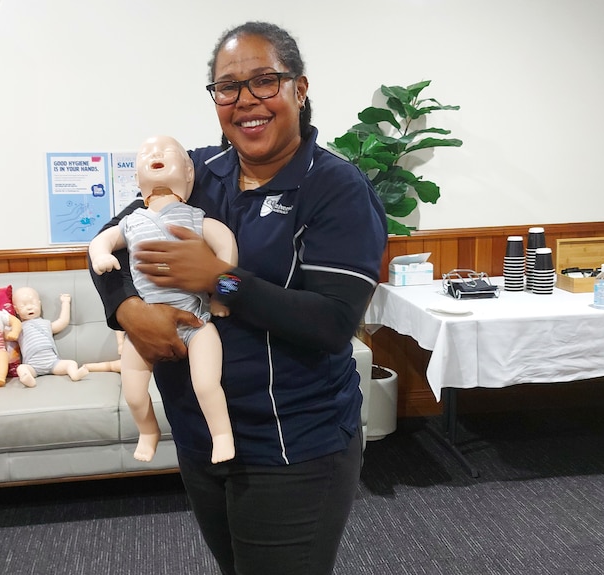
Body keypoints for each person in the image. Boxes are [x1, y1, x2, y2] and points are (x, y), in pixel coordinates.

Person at [89, 21, 386, 575]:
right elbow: (111, 243)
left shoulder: (337, 188)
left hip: (292, 443)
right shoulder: (200, 172)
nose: (246, 100)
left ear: (299, 89)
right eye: (228, 87)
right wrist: (130, 312)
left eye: (265, 81)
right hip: (201, 433)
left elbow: (331, 321)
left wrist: (218, 279)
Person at [90, 134, 238, 464]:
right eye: (146, 154)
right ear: (137, 177)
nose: (155, 154)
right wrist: (101, 257)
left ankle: (222, 434)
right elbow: (99, 242)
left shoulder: (198, 217)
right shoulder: (130, 221)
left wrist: (221, 297)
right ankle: (148, 431)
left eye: (166, 152)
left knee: (206, 383)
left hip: (198, 321)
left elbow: (227, 249)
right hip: (146, 324)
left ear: (189, 172)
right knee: (133, 391)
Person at [11, 287, 89, 387]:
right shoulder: (18, 327)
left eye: (33, 304)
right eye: (23, 306)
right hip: (32, 366)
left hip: (53, 363)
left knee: (71, 363)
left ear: (39, 304)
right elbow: (7, 335)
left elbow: (62, 321)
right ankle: (28, 379)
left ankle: (74, 374)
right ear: (16, 310)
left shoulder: (46, 324)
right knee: (21, 368)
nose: (29, 307)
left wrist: (65, 303)